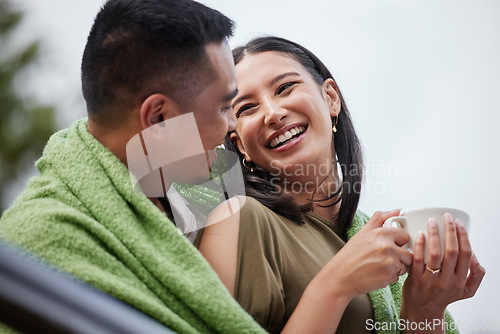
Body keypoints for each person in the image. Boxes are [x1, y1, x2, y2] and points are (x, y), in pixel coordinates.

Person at [0, 0, 266, 333]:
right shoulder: (34, 248)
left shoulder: (197, 198)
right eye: (224, 107)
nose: (232, 125)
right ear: (158, 118)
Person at [198, 36, 485, 333]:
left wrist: (425, 310)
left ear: (331, 98)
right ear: (240, 145)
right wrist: (336, 285)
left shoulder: (378, 247)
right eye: (246, 108)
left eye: (284, 88)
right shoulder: (237, 219)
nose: (273, 113)